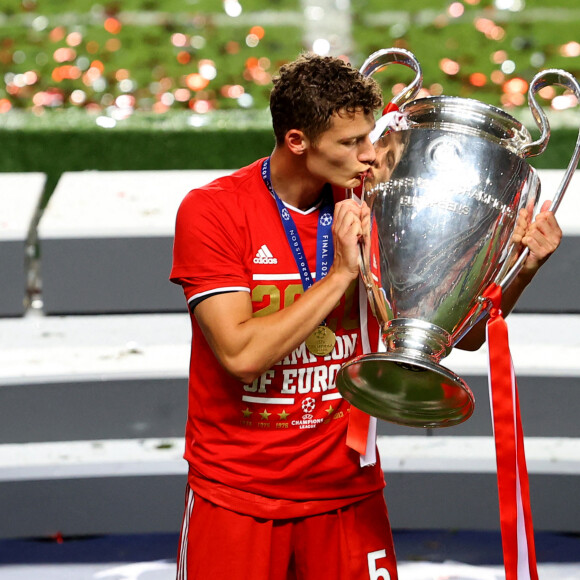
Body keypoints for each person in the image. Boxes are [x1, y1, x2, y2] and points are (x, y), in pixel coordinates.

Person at [170, 52, 561, 580]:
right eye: (351, 143)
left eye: (371, 136)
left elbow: (455, 339)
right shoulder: (215, 211)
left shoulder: (380, 199)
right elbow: (240, 355)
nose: (370, 155)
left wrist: (523, 268)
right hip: (239, 495)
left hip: (346, 494)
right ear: (296, 142)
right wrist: (340, 276)